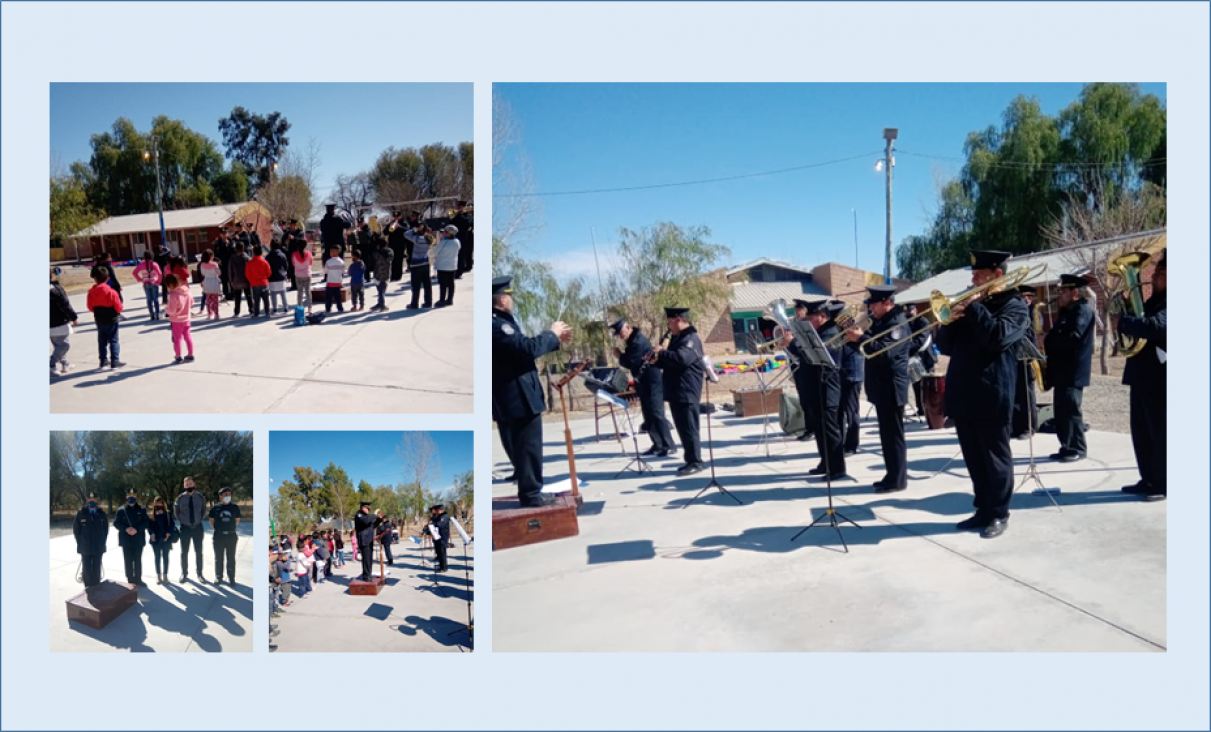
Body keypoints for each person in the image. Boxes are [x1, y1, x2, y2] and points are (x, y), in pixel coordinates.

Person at [937, 250, 1029, 538]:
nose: (973, 280)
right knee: (974, 457)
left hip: (993, 392)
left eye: (979, 275)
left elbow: (997, 338)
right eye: (974, 275)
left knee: (995, 458)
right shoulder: (973, 307)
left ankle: (999, 513)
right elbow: (947, 346)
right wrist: (948, 320)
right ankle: (983, 509)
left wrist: (975, 308)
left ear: (997, 275)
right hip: (964, 391)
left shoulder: (1014, 306)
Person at [492, 276, 573, 506]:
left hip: (513, 398)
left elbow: (521, 349)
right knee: (529, 448)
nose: (513, 301)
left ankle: (530, 490)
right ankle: (531, 495)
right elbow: (527, 349)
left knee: (523, 448)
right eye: (511, 297)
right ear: (503, 299)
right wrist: (552, 333)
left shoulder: (499, 322)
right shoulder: (498, 325)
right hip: (518, 399)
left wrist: (554, 340)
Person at [846, 285, 910, 493]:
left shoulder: (898, 323)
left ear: (887, 303)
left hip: (891, 386)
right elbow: (868, 347)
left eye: (874, 303)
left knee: (893, 436)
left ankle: (898, 479)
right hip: (881, 387)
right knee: (886, 435)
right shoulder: (881, 321)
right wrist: (855, 338)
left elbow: (885, 353)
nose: (871, 307)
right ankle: (891, 474)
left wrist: (861, 338)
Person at [1115, 249, 1167, 501]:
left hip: (1160, 378)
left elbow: (1155, 327)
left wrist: (1124, 321)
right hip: (1141, 375)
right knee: (1141, 431)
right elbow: (1142, 321)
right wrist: (1125, 307)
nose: (1154, 276)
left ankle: (1163, 483)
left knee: (1161, 433)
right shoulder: (1154, 301)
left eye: (1159, 272)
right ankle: (1148, 478)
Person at [786, 300, 847, 480]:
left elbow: (815, 353)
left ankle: (837, 467)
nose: (808, 321)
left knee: (830, 428)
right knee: (819, 427)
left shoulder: (831, 332)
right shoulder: (817, 332)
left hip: (828, 385)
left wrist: (793, 343)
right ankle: (825, 462)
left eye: (811, 318)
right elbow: (803, 356)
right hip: (814, 384)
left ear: (822, 316)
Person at [1044, 274, 1095, 462]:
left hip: (1073, 370)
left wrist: (1053, 340)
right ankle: (1066, 445)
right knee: (1061, 411)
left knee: (1072, 410)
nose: (1060, 295)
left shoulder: (1082, 310)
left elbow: (1074, 338)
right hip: (1061, 370)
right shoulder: (1067, 311)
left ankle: (1078, 448)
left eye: (1063, 291)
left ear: (1075, 292)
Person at [651, 306, 707, 476]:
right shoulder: (678, 338)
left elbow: (682, 359)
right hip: (677, 390)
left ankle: (695, 461)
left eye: (669, 322)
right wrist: (657, 361)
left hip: (687, 390)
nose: (668, 326)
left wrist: (661, 353)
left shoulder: (691, 338)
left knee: (689, 428)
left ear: (677, 320)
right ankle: (689, 460)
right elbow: (672, 361)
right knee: (683, 428)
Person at [612, 319, 675, 457]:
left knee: (657, 414)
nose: (621, 336)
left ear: (628, 327)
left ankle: (669, 444)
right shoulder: (632, 341)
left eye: (621, 333)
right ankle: (657, 444)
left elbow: (631, 363)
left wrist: (619, 356)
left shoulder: (638, 341)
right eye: (619, 335)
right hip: (643, 382)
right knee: (648, 414)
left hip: (652, 381)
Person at [832, 301, 864, 455]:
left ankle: (852, 445)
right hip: (840, 373)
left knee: (851, 412)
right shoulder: (837, 328)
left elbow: (857, 348)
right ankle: (840, 443)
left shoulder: (853, 327)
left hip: (852, 374)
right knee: (839, 412)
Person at [783, 300, 817, 443]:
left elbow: (805, 346)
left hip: (807, 367)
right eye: (796, 311)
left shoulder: (808, 327)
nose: (797, 314)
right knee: (803, 400)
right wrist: (786, 343)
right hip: (797, 367)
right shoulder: (794, 325)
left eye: (800, 311)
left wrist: (791, 342)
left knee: (810, 400)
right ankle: (808, 427)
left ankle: (812, 429)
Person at [1011, 286, 1041, 438]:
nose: (1027, 300)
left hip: (1027, 358)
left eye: (1029, 297)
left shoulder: (1032, 313)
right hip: (1015, 358)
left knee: (1027, 395)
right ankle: (1017, 426)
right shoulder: (1016, 313)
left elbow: (1031, 334)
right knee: (1016, 394)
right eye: (1023, 297)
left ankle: (1030, 427)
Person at [86, 265, 125, 369]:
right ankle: (115, 362)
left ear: (95, 279)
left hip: (99, 318)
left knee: (102, 340)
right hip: (111, 317)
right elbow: (118, 306)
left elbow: (90, 307)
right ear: (107, 279)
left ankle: (103, 361)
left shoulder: (91, 292)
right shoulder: (111, 292)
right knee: (113, 340)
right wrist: (118, 311)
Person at [906, 303, 939, 419]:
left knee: (929, 385)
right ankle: (920, 409)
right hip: (914, 358)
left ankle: (931, 408)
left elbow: (920, 341)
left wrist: (905, 348)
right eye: (908, 312)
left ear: (915, 310)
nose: (910, 313)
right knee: (916, 384)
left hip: (926, 357)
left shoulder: (923, 322)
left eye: (911, 310)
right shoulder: (907, 323)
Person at [113, 488, 149, 586]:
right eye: (129, 496)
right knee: (128, 560)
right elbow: (116, 523)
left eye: (133, 496)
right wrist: (126, 529)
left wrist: (137, 529)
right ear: (126, 497)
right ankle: (130, 579)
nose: (131, 498)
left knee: (137, 560)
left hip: (138, 539)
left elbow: (146, 522)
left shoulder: (142, 509)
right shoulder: (121, 510)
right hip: (126, 539)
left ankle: (138, 579)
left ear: (136, 497)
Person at [73, 491, 109, 589]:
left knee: (97, 566)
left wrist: (102, 541)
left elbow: (105, 529)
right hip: (85, 546)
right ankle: (88, 587)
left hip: (98, 546)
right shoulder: (81, 513)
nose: (91, 501)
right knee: (87, 568)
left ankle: (96, 586)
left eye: (94, 500)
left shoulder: (101, 513)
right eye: (89, 499)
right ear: (86, 501)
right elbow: (76, 530)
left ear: (97, 501)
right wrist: (81, 543)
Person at [174, 476, 207, 583]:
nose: (188, 486)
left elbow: (203, 510)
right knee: (184, 552)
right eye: (186, 484)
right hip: (185, 529)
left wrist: (199, 520)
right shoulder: (179, 498)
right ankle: (184, 573)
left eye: (190, 483)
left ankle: (200, 574)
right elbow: (176, 512)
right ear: (184, 486)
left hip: (198, 528)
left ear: (194, 484)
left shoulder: (200, 497)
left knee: (199, 552)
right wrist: (182, 521)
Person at [209, 486, 241, 586]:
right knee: (218, 558)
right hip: (218, 536)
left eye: (229, 494)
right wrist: (220, 529)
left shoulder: (235, 507)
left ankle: (231, 578)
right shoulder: (215, 508)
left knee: (231, 558)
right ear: (220, 496)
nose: (228, 496)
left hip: (231, 536)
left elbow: (237, 521)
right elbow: (211, 521)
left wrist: (229, 529)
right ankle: (219, 577)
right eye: (226, 494)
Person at [50, 268, 78, 377]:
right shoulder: (54, 289)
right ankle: (50, 363)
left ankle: (65, 363)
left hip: (53, 323)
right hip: (58, 322)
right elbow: (65, 304)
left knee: (58, 344)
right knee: (64, 345)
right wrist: (73, 317)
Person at [164, 274, 195, 364]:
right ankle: (190, 354)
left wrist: (166, 309)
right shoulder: (187, 291)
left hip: (176, 320)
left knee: (177, 339)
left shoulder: (173, 295)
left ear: (170, 284)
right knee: (188, 337)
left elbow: (172, 310)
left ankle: (178, 356)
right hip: (186, 318)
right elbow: (192, 302)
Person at [147, 495, 178, 584]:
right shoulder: (151, 515)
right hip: (155, 540)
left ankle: (165, 575)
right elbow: (149, 527)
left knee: (165, 558)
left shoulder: (167, 514)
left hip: (166, 539)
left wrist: (168, 533)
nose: (157, 505)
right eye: (156, 503)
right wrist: (151, 534)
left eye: (159, 503)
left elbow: (172, 525)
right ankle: (158, 575)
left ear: (162, 504)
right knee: (157, 557)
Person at [354, 502, 385, 582]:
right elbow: (366, 521)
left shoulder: (366, 517)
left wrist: (379, 519)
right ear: (363, 508)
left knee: (369, 560)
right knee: (366, 560)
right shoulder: (359, 515)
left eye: (369, 509)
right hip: (364, 541)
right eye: (367, 508)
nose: (369, 510)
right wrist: (374, 514)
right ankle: (366, 576)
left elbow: (372, 525)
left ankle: (368, 574)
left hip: (369, 540)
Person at [404, 224, 433, 309]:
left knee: (416, 286)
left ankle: (414, 303)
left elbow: (406, 234)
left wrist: (415, 228)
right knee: (427, 285)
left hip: (416, 265)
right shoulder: (429, 239)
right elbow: (429, 236)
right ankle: (428, 302)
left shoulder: (417, 239)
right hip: (425, 264)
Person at [434, 225, 461, 307]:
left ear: (449, 233)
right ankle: (450, 299)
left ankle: (442, 300)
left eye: (445, 232)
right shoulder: (457, 242)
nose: (444, 233)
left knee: (443, 284)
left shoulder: (443, 243)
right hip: (452, 266)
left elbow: (435, 251)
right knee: (451, 283)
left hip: (442, 266)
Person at [133, 251, 163, 321]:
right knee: (155, 299)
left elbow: (134, 273)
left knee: (149, 299)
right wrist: (159, 281)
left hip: (145, 283)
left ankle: (151, 314)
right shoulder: (154, 264)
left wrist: (140, 279)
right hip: (154, 282)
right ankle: (157, 314)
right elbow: (160, 273)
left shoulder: (141, 264)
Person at [245, 244, 271, 318]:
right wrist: (265, 278)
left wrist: (251, 280)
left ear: (253, 252)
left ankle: (256, 313)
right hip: (264, 282)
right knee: (266, 299)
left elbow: (247, 274)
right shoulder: (265, 262)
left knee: (256, 300)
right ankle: (267, 312)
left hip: (254, 283)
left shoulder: (250, 263)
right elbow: (269, 272)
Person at [451, 201, 474, 277]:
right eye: (458, 206)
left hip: (466, 236)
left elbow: (467, 223)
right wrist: (457, 214)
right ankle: (458, 270)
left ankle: (464, 268)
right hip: (457, 235)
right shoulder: (454, 213)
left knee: (465, 253)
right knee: (458, 254)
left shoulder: (469, 215)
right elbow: (450, 220)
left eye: (460, 206)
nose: (458, 208)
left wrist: (460, 214)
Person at [370, 236, 393, 312]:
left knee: (380, 290)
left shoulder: (376, 253)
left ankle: (382, 304)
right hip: (386, 273)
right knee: (382, 289)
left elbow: (372, 261)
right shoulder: (390, 252)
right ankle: (380, 303)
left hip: (377, 273)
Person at [266, 240, 290, 315]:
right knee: (283, 293)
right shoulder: (282, 255)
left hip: (272, 277)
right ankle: (285, 308)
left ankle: (275, 309)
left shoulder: (268, 256)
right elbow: (286, 266)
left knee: (273, 294)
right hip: (281, 276)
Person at [199, 249, 223, 320]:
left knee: (208, 300)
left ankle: (209, 314)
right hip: (214, 282)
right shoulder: (215, 264)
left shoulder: (202, 264)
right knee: (215, 300)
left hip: (206, 281)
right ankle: (216, 314)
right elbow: (219, 273)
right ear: (210, 256)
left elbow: (202, 273)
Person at [228, 243, 251, 317]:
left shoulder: (232, 258)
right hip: (246, 280)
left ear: (236, 249)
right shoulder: (246, 257)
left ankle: (236, 312)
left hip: (236, 280)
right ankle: (251, 310)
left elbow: (230, 270)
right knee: (249, 295)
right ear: (243, 248)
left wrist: (231, 280)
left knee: (237, 297)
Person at [292, 242, 315, 314]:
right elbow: (311, 263)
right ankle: (310, 308)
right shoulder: (309, 254)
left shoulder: (294, 254)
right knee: (308, 292)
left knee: (300, 292)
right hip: (307, 274)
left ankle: (300, 307)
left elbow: (293, 264)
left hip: (298, 275)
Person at [386, 211, 408, 281]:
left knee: (399, 261)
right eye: (395, 217)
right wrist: (389, 227)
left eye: (397, 216)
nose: (396, 218)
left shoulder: (404, 222)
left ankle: (398, 276)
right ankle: (393, 276)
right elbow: (385, 232)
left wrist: (399, 227)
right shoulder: (391, 223)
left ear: (400, 216)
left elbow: (407, 230)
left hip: (400, 245)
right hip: (392, 245)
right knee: (393, 261)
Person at [212, 228, 233, 300]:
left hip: (230, 264)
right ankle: (226, 294)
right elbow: (214, 255)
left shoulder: (231, 241)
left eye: (225, 233)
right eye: (223, 233)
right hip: (222, 264)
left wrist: (229, 244)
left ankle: (232, 294)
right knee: (224, 280)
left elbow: (234, 251)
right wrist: (218, 261)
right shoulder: (217, 243)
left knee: (231, 279)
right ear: (220, 234)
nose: (224, 235)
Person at [323, 246, 346, 313]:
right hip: (338, 282)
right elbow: (343, 271)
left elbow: (326, 271)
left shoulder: (328, 262)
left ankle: (328, 308)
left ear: (332, 252)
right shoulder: (341, 262)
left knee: (328, 297)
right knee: (338, 297)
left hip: (330, 282)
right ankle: (340, 308)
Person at [428, 505, 451, 573]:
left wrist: (433, 523)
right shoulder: (439, 517)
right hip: (438, 537)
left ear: (439, 510)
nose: (436, 512)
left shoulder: (444, 517)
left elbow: (440, 525)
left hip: (443, 537)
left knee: (442, 553)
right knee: (440, 553)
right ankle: (441, 566)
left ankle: (444, 567)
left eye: (436, 510)